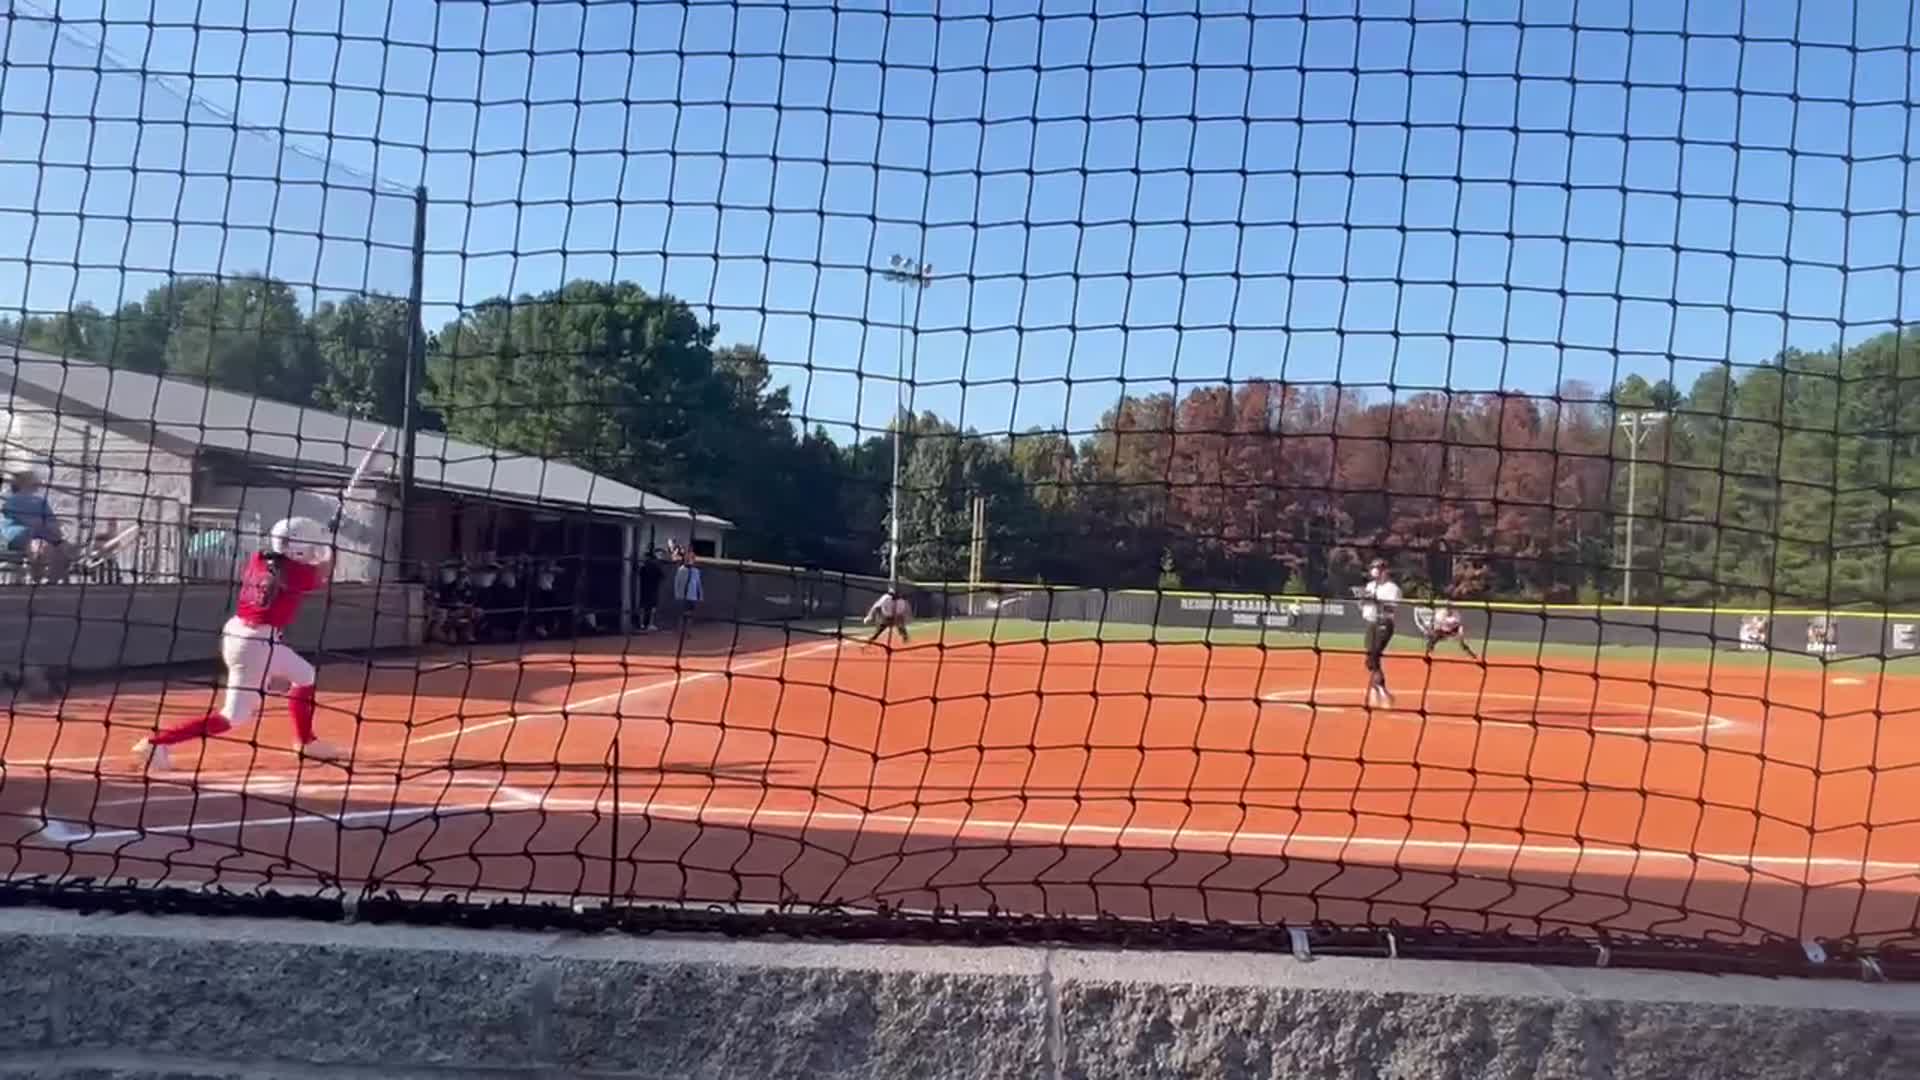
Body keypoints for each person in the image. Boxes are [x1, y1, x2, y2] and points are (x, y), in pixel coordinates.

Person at [132, 516, 343, 769]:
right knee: (233, 717)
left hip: (241, 633)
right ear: (296, 549)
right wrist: (332, 546)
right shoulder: (296, 573)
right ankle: (157, 743)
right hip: (257, 644)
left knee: (305, 674)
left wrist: (320, 541)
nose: (312, 551)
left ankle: (306, 742)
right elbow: (325, 571)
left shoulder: (259, 558)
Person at [2, 465, 69, 583]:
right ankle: (38, 578)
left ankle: (49, 583)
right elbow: (26, 521)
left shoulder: (40, 501)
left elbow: (51, 521)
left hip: (43, 535)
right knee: (39, 547)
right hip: (21, 536)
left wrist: (54, 531)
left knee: (61, 549)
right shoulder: (12, 502)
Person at [1360, 557, 1401, 708]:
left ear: (1384, 570)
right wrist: (1364, 598)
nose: (1374, 570)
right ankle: (1378, 690)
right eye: (1373, 567)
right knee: (1370, 660)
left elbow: (1391, 608)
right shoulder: (1370, 585)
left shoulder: (1392, 588)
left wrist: (1376, 600)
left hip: (1384, 624)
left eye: (1377, 568)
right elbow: (1363, 605)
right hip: (1371, 623)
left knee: (1373, 656)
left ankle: (1381, 691)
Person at [1423, 595, 1477, 661]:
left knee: (1461, 640)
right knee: (1434, 638)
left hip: (1453, 629)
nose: (1448, 608)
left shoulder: (1455, 612)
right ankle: (1427, 654)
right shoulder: (1440, 613)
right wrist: (1436, 630)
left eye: (1450, 606)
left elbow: (1457, 623)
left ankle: (1472, 654)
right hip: (1443, 629)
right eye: (1447, 606)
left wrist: (1457, 630)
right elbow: (1438, 623)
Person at [673, 548, 703, 627]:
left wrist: (700, 595)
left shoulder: (696, 571)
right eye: (688, 558)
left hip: (692, 596)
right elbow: (677, 583)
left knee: (690, 614)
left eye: (692, 558)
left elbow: (698, 584)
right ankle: (680, 629)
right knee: (682, 613)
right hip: (682, 596)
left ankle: (687, 629)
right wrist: (677, 595)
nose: (691, 560)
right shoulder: (681, 570)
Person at [637, 548, 665, 632]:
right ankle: (649, 624)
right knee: (652, 607)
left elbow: (640, 574)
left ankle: (642, 624)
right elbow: (662, 576)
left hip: (644, 588)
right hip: (653, 588)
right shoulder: (656, 564)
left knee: (643, 606)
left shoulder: (644, 565)